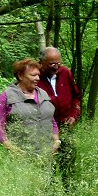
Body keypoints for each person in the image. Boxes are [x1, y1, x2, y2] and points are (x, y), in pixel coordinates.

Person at [0, 58, 60, 158]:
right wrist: (11, 149)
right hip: (17, 158)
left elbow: (50, 119)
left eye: (38, 75)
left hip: (45, 156)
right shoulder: (6, 96)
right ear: (20, 76)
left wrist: (56, 141)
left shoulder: (43, 94)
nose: (37, 78)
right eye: (33, 75)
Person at [37, 47, 82, 183]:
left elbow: (76, 97)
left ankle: (69, 195)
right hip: (45, 129)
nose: (56, 67)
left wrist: (74, 114)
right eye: (52, 64)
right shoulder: (35, 77)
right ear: (41, 63)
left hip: (66, 127)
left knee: (68, 164)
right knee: (47, 166)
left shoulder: (65, 73)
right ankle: (50, 195)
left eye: (58, 63)